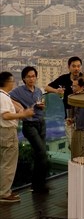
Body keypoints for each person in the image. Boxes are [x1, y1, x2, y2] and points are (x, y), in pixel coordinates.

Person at [9, 66, 50, 194]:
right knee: (42, 153)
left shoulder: (38, 91)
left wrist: (42, 106)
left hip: (41, 123)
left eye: (33, 76)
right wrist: (19, 107)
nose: (31, 79)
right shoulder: (19, 91)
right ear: (24, 79)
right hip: (29, 125)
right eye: (29, 76)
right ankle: (38, 185)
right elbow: (5, 96)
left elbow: (40, 103)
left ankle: (38, 185)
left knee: (39, 155)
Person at [1, 72, 35, 203]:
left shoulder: (4, 96)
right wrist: (23, 114)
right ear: (8, 82)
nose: (13, 83)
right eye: (12, 81)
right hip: (7, 131)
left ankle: (3, 190)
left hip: (3, 132)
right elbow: (6, 115)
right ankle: (4, 193)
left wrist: (19, 108)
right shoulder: (3, 97)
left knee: (4, 162)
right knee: (8, 164)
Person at [44, 56, 82, 145]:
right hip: (68, 116)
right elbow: (47, 87)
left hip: (82, 116)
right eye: (74, 66)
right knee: (72, 144)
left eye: (78, 66)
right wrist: (56, 91)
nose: (76, 68)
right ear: (69, 67)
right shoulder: (64, 78)